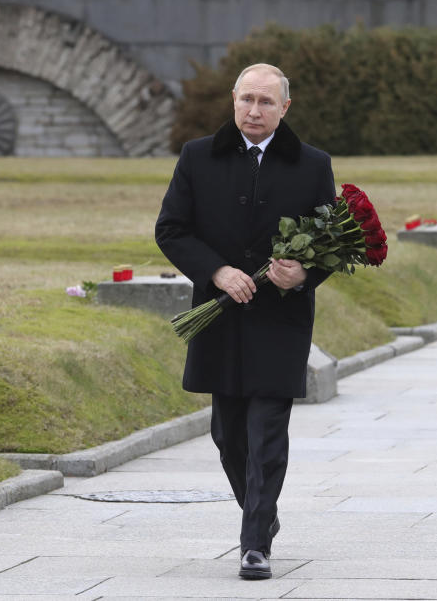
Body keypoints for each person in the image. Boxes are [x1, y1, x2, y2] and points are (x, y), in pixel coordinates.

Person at [154, 63, 336, 580]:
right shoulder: (196, 156)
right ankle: (264, 517)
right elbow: (171, 229)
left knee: (266, 430)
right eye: (246, 100)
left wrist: (302, 273)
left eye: (266, 102)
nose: (254, 111)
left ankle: (254, 544)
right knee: (228, 435)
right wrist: (217, 270)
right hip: (220, 320)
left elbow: (329, 243)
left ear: (285, 108)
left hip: (281, 321)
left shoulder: (312, 164)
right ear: (233, 100)